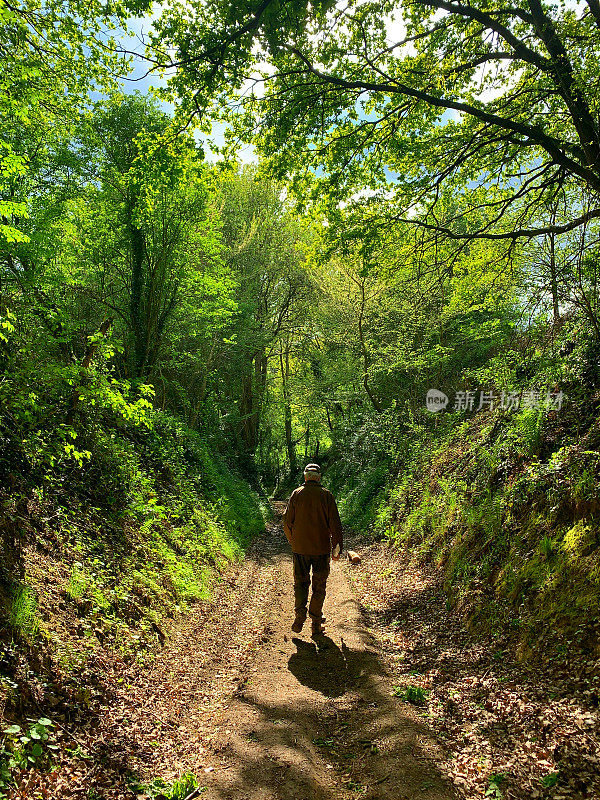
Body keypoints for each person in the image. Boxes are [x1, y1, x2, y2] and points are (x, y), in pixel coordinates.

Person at [283, 463, 343, 637]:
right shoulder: (326, 495)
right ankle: (316, 623)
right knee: (319, 586)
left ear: (305, 477)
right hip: (321, 549)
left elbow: (286, 522)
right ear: (319, 477)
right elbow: (335, 525)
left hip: (300, 548)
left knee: (300, 583)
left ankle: (300, 615)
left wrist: (293, 541)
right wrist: (336, 549)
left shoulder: (296, 494)